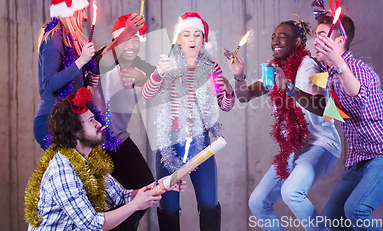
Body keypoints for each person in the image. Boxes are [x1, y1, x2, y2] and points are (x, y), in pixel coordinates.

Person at [223, 19, 341, 231]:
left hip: (322, 144)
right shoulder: (276, 69)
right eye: (273, 37)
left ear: (297, 42)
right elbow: (244, 96)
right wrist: (238, 75)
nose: (275, 41)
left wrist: (288, 88)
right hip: (294, 147)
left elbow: (321, 105)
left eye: (282, 37)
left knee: (291, 192)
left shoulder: (310, 66)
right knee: (258, 202)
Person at [24, 87, 184, 231]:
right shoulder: (63, 170)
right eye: (90, 120)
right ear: (75, 131)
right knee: (129, 213)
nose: (98, 123)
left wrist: (162, 185)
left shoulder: (91, 161)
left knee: (129, 215)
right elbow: (93, 224)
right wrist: (135, 205)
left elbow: (121, 197)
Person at [313, 14, 383, 231]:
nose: (315, 41)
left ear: (339, 41)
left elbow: (359, 95)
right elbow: (327, 107)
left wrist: (339, 63)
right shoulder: (329, 72)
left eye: (321, 35)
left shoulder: (356, 70)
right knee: (328, 223)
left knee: (356, 210)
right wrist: (288, 88)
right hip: (360, 159)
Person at [142, 12, 235, 231]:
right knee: (168, 206)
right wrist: (158, 73)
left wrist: (228, 89)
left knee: (209, 202)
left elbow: (226, 105)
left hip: (200, 144)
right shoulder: (167, 65)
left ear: (203, 40)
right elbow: (146, 95)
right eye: (187, 34)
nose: (192, 39)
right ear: (179, 39)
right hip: (169, 144)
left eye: (197, 35)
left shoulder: (212, 69)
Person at [34, 0, 144, 149]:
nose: (85, 17)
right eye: (82, 11)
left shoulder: (68, 39)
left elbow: (72, 79)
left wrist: (85, 81)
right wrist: (81, 61)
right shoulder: (53, 39)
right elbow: (48, 85)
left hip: (68, 120)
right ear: (71, 13)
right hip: (52, 123)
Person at [92, 15, 156, 231]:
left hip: (118, 139)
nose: (132, 44)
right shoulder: (102, 61)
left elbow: (160, 87)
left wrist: (144, 79)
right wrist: (127, 32)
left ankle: (118, 225)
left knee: (147, 188)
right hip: (93, 141)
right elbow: (107, 58)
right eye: (127, 38)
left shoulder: (140, 68)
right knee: (98, 200)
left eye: (136, 39)